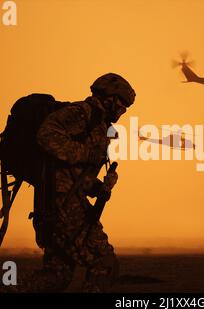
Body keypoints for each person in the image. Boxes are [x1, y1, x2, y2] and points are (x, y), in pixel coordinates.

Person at [21, 73, 135, 292]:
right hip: (64, 206)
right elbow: (46, 135)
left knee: (57, 275)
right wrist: (86, 154)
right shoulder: (81, 113)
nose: (123, 110)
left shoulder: (98, 124)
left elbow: (74, 172)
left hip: (63, 204)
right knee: (104, 264)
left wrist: (98, 187)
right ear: (109, 97)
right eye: (122, 104)